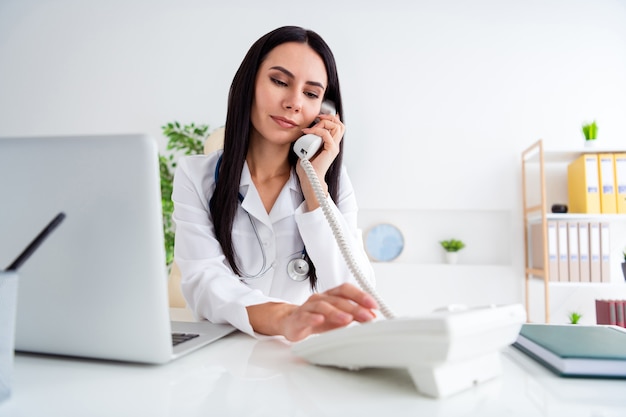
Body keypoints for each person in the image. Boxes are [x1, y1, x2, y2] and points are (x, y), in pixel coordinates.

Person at [172, 26, 377, 342]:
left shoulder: (331, 182)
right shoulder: (195, 176)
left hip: (300, 361)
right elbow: (203, 281)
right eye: (280, 82)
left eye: (310, 94)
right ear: (249, 84)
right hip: (224, 360)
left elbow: (354, 293)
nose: (294, 102)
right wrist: (285, 317)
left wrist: (315, 190)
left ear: (325, 112)